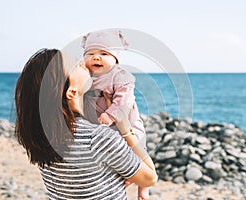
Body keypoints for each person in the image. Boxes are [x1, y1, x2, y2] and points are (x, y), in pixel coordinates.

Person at [14, 48, 157, 200]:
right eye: (76, 65)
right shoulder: (97, 138)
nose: (83, 63)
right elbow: (150, 178)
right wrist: (126, 128)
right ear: (72, 92)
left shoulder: (41, 135)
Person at [82, 29, 149, 199]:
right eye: (90, 53)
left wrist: (110, 115)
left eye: (104, 53)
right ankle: (123, 181)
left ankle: (143, 187)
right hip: (103, 127)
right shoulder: (85, 75)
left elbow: (124, 101)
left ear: (115, 59)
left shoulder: (120, 76)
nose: (96, 57)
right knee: (114, 160)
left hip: (127, 123)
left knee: (139, 151)